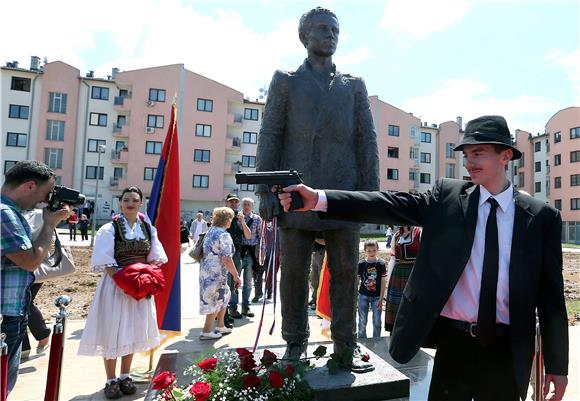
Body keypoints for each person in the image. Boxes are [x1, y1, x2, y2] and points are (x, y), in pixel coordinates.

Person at [276, 115, 568, 401]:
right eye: (466, 154)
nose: (469, 162)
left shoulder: (541, 219)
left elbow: (552, 299)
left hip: (506, 351)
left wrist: (557, 366)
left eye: (478, 153)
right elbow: (389, 204)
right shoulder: (448, 199)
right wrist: (319, 199)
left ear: (506, 155)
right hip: (453, 345)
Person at [255, 6, 379, 371]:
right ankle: (294, 343)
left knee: (345, 272)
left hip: (344, 194)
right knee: (293, 273)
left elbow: (367, 141)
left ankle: (346, 345)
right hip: (295, 194)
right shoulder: (286, 81)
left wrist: (369, 195)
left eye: (335, 29)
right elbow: (271, 135)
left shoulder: (353, 85)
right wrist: (265, 190)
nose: (330, 35)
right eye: (322, 29)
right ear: (304, 36)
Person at [78, 186, 167, 399]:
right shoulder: (110, 229)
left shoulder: (148, 228)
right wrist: (123, 281)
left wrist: (145, 280)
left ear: (140, 203)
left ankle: (125, 375)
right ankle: (111, 380)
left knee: (134, 330)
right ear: (120, 203)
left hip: (138, 289)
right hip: (115, 286)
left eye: (135, 200)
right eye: (126, 199)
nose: (130, 203)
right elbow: (105, 260)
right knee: (113, 331)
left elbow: (155, 257)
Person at [0, 160, 70, 393]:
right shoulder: (5, 214)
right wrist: (50, 224)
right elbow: (30, 261)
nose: (44, 201)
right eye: (45, 193)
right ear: (29, 186)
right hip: (5, 316)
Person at [199, 207, 242, 340]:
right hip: (217, 273)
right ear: (227, 220)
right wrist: (236, 275)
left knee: (225, 296)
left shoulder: (210, 231)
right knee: (215, 300)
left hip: (206, 272)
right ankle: (206, 331)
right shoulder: (223, 235)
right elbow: (227, 258)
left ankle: (221, 325)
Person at [384, 226, 421, 333]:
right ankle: (396, 334)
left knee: (412, 305)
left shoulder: (418, 233)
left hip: (413, 274)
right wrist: (389, 279)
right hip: (398, 275)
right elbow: (393, 259)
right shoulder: (396, 236)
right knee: (397, 306)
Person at [224, 193, 251, 320]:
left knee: (235, 281)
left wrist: (242, 221)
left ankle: (233, 308)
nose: (233, 204)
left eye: (235, 202)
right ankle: (222, 311)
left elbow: (248, 236)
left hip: (236, 254)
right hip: (223, 254)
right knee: (223, 282)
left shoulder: (240, 217)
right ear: (227, 203)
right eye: (231, 201)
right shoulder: (222, 216)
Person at [357, 239, 387, 339]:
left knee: (377, 321)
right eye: (369, 251)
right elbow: (356, 280)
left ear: (377, 250)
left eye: (374, 250)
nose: (371, 253)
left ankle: (376, 340)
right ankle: (362, 341)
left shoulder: (381, 264)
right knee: (362, 320)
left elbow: (383, 281)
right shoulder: (361, 265)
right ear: (365, 251)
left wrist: (381, 298)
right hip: (363, 296)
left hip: (377, 297)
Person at [240, 197, 262, 311]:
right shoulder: (237, 217)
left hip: (251, 253)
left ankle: (245, 306)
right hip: (238, 252)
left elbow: (261, 237)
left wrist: (261, 254)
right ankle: (232, 307)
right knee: (234, 280)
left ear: (252, 206)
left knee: (248, 281)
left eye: (249, 204)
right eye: (245, 204)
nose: (246, 206)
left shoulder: (257, 219)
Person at [308, 233, 326, 310]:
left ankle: (319, 303)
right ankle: (315, 299)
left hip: (322, 253)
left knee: (321, 279)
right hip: (315, 253)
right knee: (314, 279)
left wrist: (313, 238)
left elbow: (327, 241)